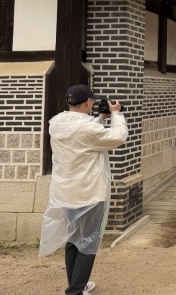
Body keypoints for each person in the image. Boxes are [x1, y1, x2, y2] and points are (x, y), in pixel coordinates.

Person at [39, 84, 127, 295]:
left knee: (73, 240)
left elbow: (82, 133)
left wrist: (100, 119)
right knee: (88, 242)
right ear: (88, 102)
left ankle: (77, 285)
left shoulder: (57, 122)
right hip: (89, 192)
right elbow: (118, 137)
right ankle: (76, 291)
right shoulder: (88, 128)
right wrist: (116, 115)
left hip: (65, 192)